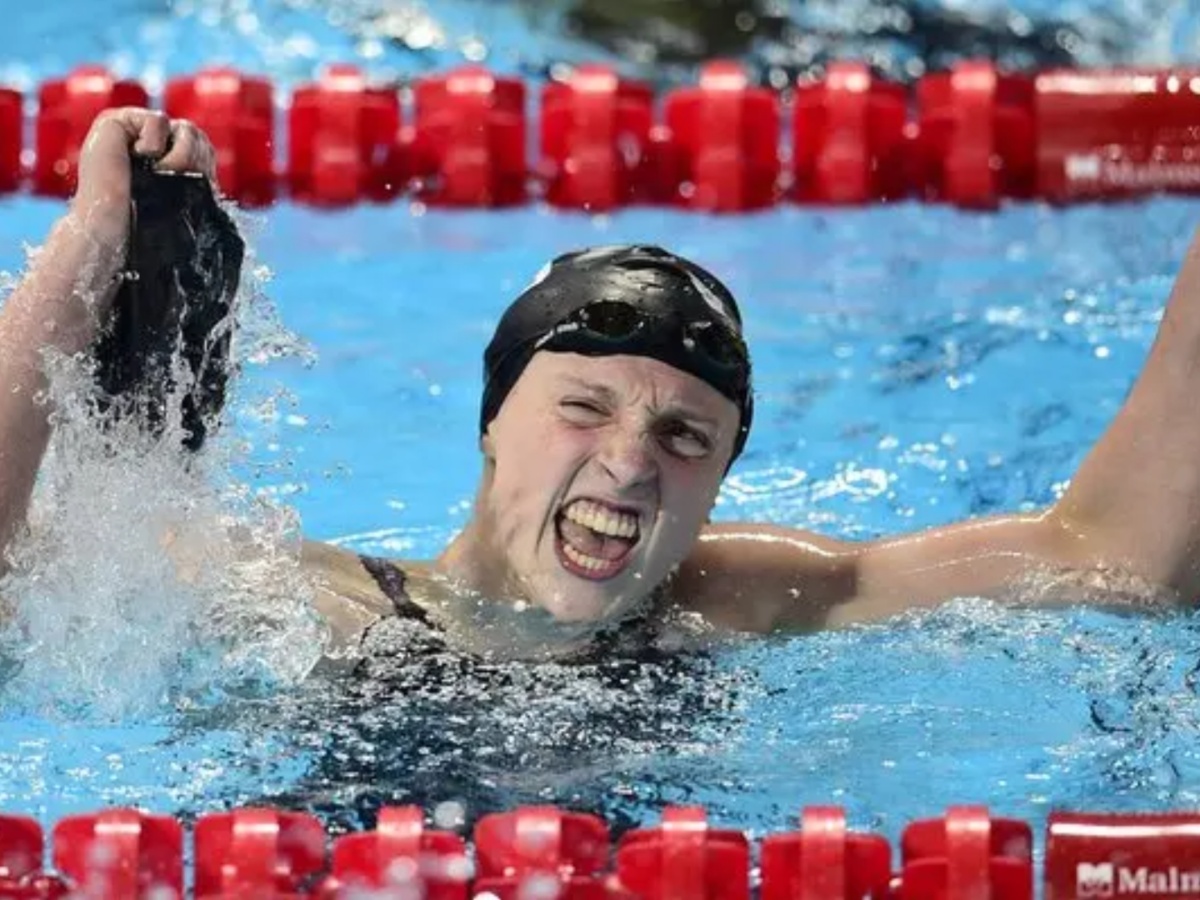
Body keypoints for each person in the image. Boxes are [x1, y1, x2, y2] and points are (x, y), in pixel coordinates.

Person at [0, 108, 1196, 666]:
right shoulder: (311, 608)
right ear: (489, 428)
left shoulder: (739, 600)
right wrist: (88, 253)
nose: (630, 463)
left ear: (720, 485)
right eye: (583, 406)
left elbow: (1118, 558)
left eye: (686, 436)